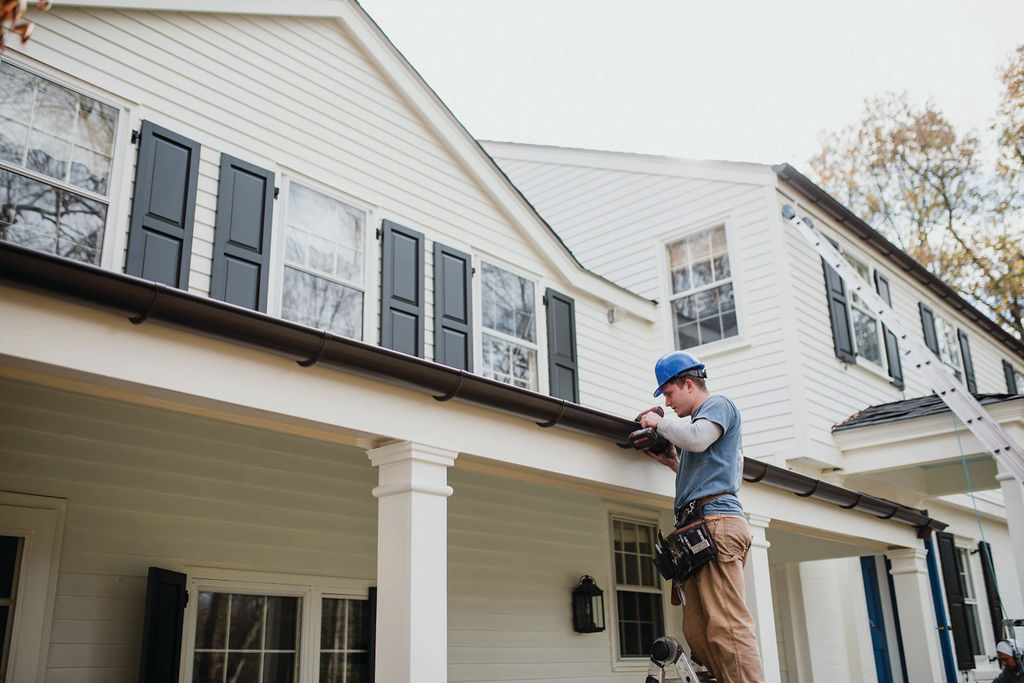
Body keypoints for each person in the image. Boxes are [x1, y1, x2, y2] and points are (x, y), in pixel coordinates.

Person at [639, 350, 764, 683]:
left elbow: (696, 440)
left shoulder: (717, 406)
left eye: (669, 393)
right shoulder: (697, 427)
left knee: (727, 626)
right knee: (698, 628)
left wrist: (659, 424)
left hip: (717, 525)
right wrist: (672, 463)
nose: (667, 403)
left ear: (689, 384)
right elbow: (702, 464)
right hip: (697, 529)